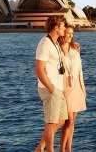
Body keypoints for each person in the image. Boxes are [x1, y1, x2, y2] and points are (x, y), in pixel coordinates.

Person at [34, 15, 68, 152]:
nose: (65, 28)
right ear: (56, 27)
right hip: (50, 88)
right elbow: (39, 70)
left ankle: (39, 148)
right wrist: (51, 88)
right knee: (51, 122)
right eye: (63, 26)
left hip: (57, 87)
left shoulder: (55, 43)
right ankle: (49, 150)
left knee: (61, 120)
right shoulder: (45, 44)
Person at [59, 25, 87, 152]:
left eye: (72, 33)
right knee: (68, 121)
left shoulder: (75, 48)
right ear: (63, 33)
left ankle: (68, 148)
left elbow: (80, 70)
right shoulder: (58, 49)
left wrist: (83, 87)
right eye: (67, 33)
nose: (70, 35)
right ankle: (62, 149)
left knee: (72, 121)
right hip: (66, 87)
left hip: (77, 86)